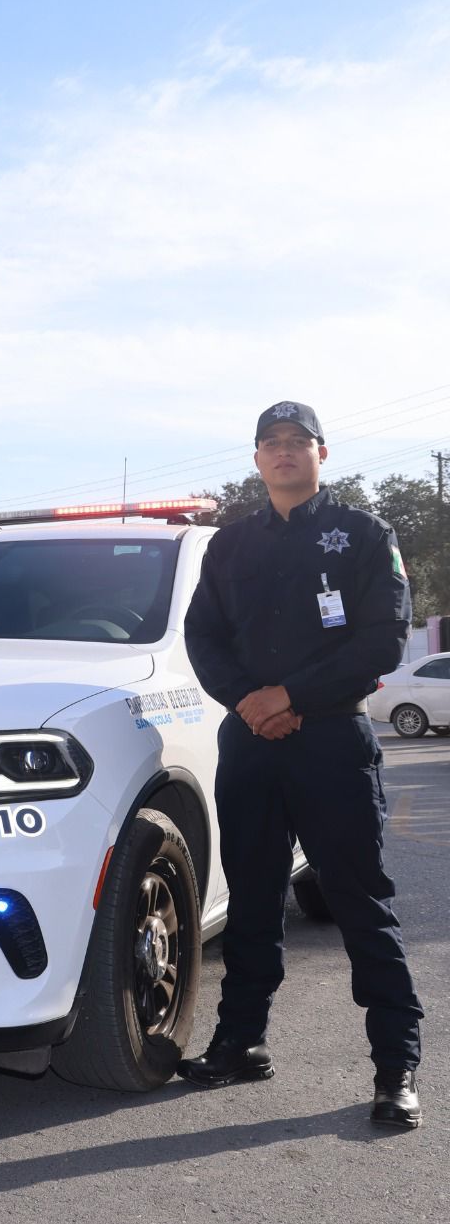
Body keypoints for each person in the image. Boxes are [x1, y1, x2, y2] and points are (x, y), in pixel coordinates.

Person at [180, 401, 423, 1128]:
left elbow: (384, 639)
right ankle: (240, 1043)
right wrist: (249, 702)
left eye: (297, 442)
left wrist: (291, 695)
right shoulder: (230, 545)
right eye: (271, 443)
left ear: (321, 454)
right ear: (257, 459)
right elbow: (202, 635)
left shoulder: (363, 534)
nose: (284, 452)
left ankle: (395, 1065)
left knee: (360, 903)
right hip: (250, 743)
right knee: (252, 901)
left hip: (331, 743)